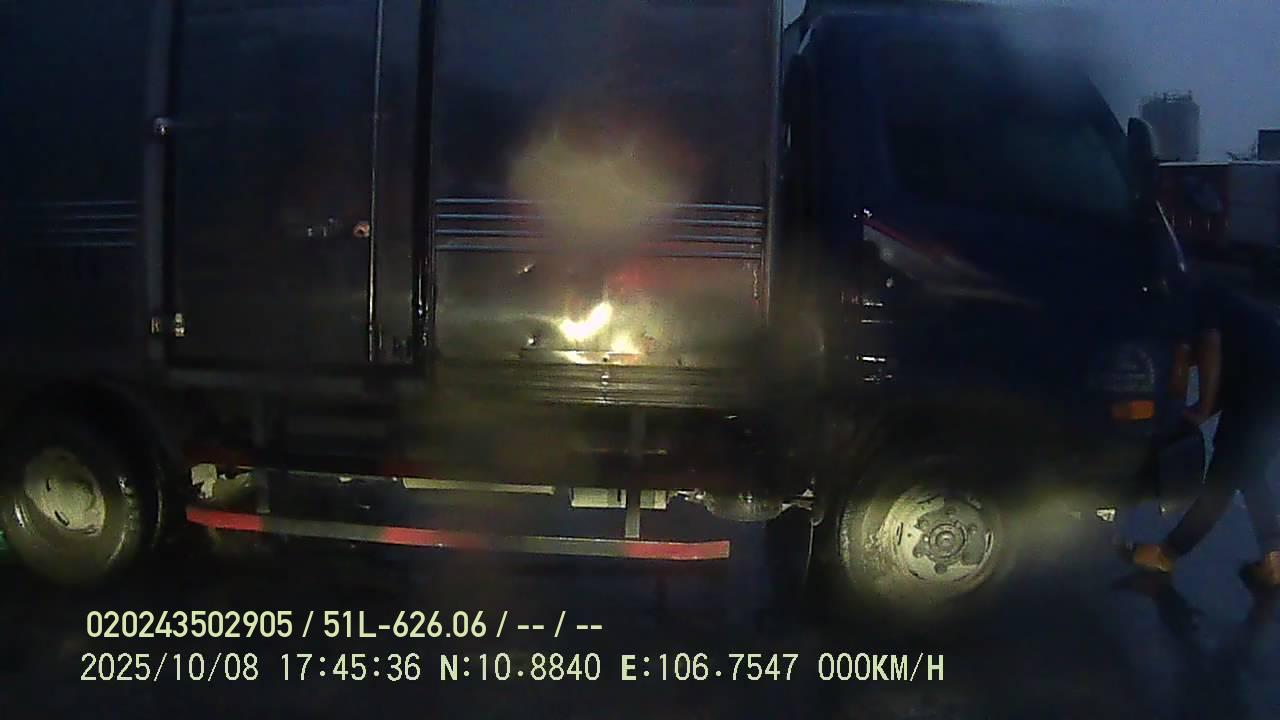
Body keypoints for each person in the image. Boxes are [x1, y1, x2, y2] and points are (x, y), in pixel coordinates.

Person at [1130, 278, 1280, 588]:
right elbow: (1224, 363)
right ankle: (1274, 557)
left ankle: (1167, 554)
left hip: (1263, 383)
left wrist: (1201, 408)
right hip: (1263, 377)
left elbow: (1210, 349)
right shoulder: (1209, 301)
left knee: (1225, 474)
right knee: (1249, 471)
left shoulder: (1190, 302)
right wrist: (1197, 412)